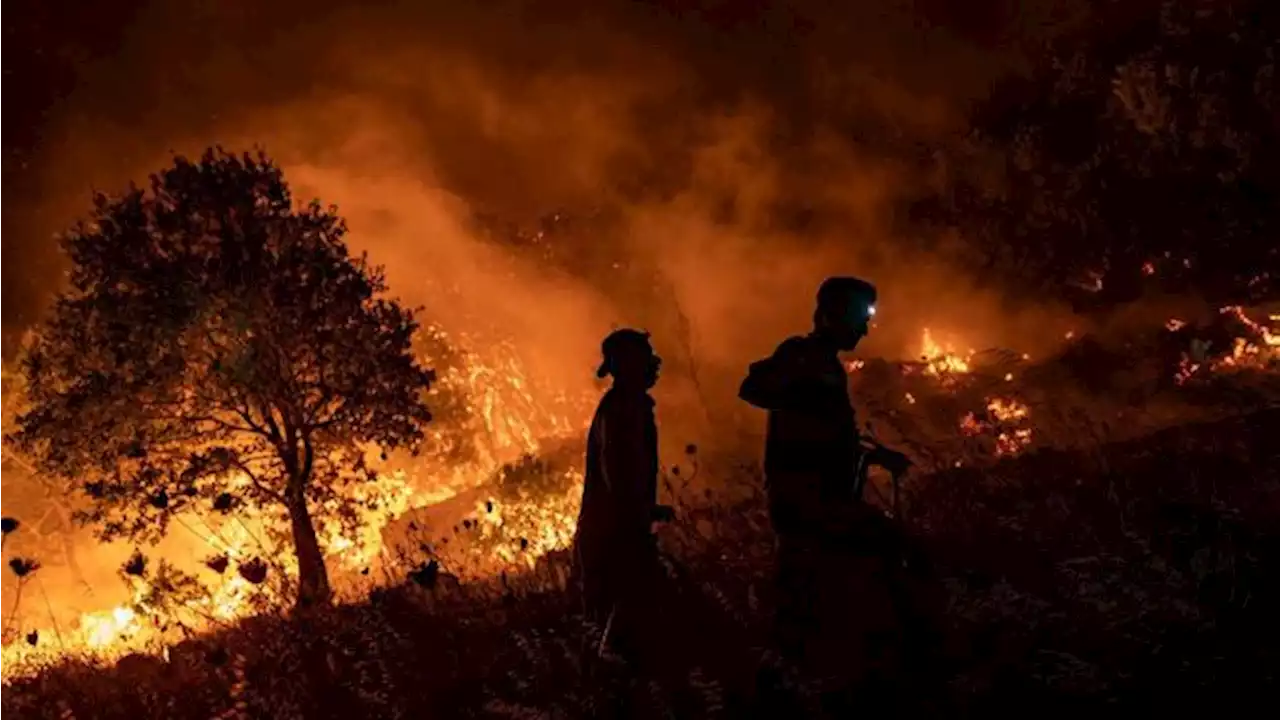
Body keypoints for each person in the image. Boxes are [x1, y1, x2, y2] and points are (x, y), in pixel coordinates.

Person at [738, 276, 910, 687]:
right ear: (829, 316)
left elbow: (826, 433)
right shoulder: (802, 355)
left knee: (825, 593)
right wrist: (801, 389)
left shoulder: (826, 364)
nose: (863, 331)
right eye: (857, 319)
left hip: (828, 502)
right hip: (807, 506)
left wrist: (873, 455)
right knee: (808, 594)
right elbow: (755, 388)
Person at [571, 328, 673, 662]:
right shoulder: (621, 410)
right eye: (646, 356)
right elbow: (618, 473)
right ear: (628, 365)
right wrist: (641, 514)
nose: (655, 363)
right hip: (614, 539)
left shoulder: (629, 406)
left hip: (616, 534)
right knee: (617, 635)